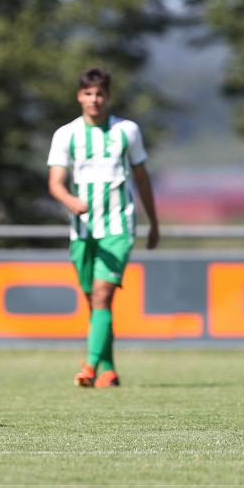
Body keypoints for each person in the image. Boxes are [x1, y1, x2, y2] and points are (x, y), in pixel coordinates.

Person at [47, 67, 160, 388]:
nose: (94, 100)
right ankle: (109, 369)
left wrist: (153, 222)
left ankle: (91, 365)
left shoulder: (127, 131)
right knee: (94, 302)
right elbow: (55, 183)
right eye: (88, 94)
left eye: (99, 94)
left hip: (118, 228)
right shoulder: (66, 135)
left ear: (108, 97)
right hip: (82, 230)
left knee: (102, 295)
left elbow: (141, 178)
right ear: (79, 96)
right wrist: (70, 200)